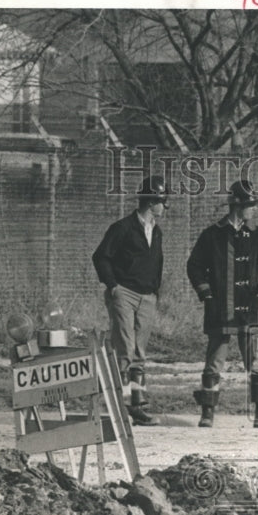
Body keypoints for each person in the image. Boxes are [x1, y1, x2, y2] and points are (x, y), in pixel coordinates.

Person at [186, 180, 258, 428]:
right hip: (219, 309)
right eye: (250, 205)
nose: (254, 210)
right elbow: (194, 266)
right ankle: (208, 411)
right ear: (238, 206)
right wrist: (206, 294)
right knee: (214, 361)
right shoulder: (212, 235)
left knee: (255, 360)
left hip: (250, 311)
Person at [92, 175, 167, 426]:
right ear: (151, 202)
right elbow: (101, 257)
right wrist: (112, 287)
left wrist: (154, 291)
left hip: (147, 296)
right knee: (125, 347)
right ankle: (118, 404)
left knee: (139, 353)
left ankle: (137, 405)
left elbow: (156, 262)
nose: (164, 207)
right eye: (162, 202)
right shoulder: (123, 228)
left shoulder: (156, 231)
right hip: (124, 292)